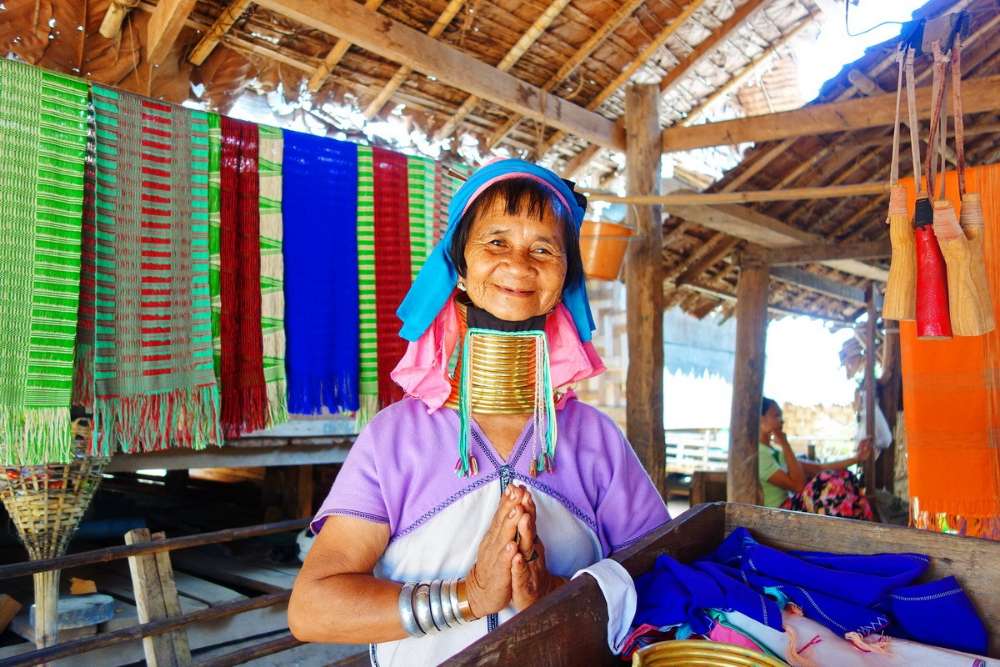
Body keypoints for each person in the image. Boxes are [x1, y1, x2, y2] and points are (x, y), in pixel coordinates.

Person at [288, 159, 670, 665]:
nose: (520, 263)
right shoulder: (395, 437)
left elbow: (670, 579)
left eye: (544, 248)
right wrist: (467, 596)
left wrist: (555, 593)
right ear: (460, 269)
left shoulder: (594, 440)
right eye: (496, 242)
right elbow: (313, 608)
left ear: (564, 279)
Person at [758, 397, 873, 519]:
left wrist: (857, 458)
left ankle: (861, 526)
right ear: (760, 420)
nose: (782, 421)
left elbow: (819, 468)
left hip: (791, 506)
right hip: (777, 514)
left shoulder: (775, 452)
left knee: (845, 476)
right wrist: (785, 443)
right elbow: (798, 486)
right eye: (776, 416)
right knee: (831, 484)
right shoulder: (760, 455)